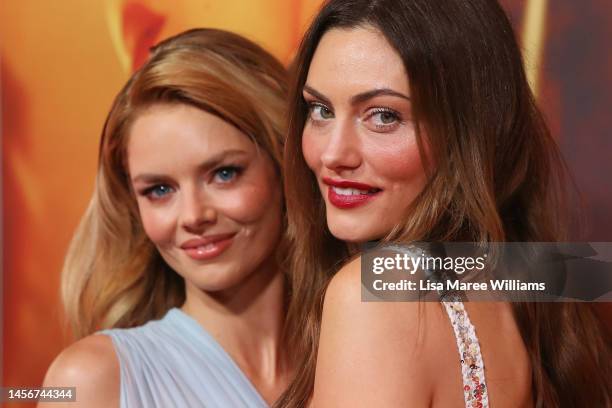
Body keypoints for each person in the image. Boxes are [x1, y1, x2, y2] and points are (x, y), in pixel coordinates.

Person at [277, 0, 611, 407]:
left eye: (383, 116)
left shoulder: (374, 294)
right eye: (321, 109)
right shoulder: (539, 275)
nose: (332, 154)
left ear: (467, 131)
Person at [41, 28, 291, 408]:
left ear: (284, 165)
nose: (193, 216)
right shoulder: (92, 379)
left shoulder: (370, 344)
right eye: (159, 190)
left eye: (224, 173)